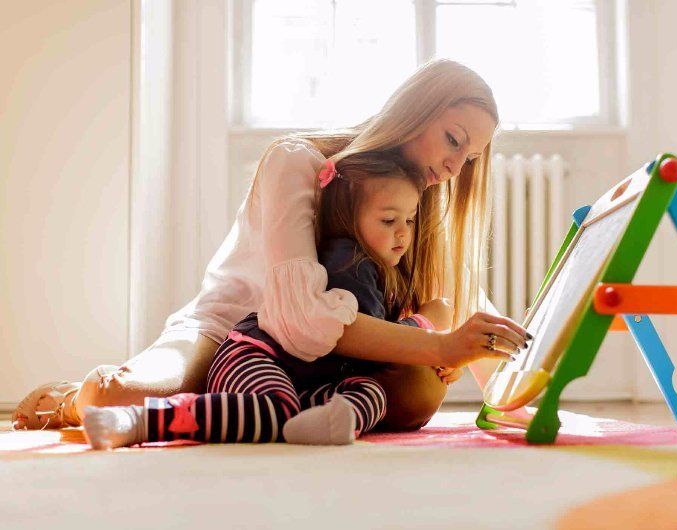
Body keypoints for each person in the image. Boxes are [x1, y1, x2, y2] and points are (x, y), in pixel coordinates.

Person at [12, 58, 530, 433]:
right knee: (115, 394)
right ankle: (71, 400)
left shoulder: (419, 208)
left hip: (330, 364)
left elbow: (460, 304)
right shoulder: (298, 160)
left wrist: (513, 390)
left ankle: (287, 414)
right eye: (454, 141)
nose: (455, 167)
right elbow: (297, 318)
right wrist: (440, 345)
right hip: (234, 334)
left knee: (416, 387)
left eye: (472, 159)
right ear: (415, 112)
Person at [82, 150, 475, 448]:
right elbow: (375, 351)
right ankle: (143, 421)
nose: (404, 234)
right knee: (278, 408)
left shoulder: (383, 269)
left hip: (305, 382)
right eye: (389, 221)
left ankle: (321, 423)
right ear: (349, 220)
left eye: (410, 220)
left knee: (370, 394)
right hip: (254, 355)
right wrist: (426, 326)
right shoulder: (350, 260)